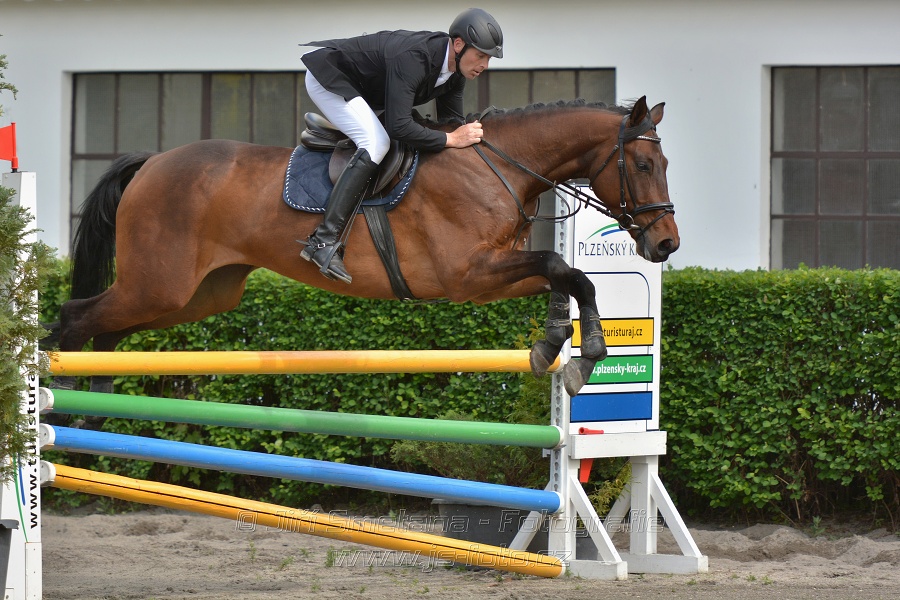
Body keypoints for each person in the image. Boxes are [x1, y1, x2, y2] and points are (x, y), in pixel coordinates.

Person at [299, 8, 503, 284]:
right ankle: (322, 241)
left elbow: (451, 123)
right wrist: (451, 139)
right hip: (331, 79)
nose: (484, 65)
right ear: (458, 45)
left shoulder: (455, 74)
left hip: (365, 89)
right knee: (377, 143)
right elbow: (400, 126)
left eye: (488, 59)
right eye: (480, 55)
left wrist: (464, 137)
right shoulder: (414, 59)